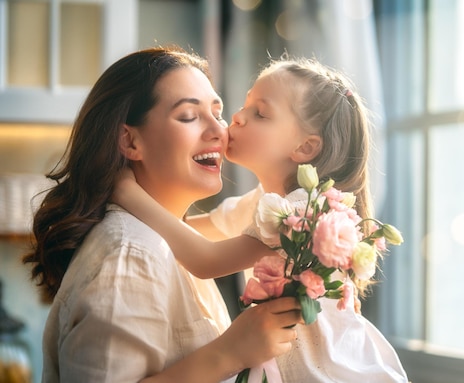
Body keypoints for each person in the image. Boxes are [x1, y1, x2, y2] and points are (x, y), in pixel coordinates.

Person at [114, 55, 409, 382]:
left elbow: (204, 259)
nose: (236, 119)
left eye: (260, 114)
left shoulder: (302, 210)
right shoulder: (261, 202)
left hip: (329, 370)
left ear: (305, 147)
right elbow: (190, 232)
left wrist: (128, 193)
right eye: (243, 106)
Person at [21, 46, 302, 383]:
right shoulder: (133, 255)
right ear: (130, 141)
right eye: (188, 115)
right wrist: (227, 353)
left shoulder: (167, 245)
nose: (219, 131)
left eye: (217, 111)